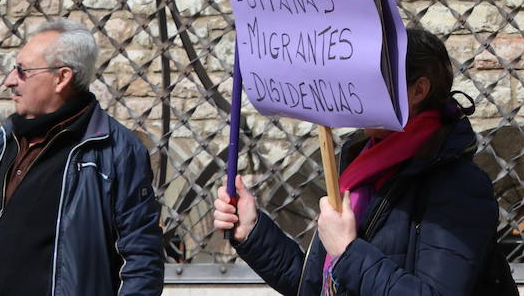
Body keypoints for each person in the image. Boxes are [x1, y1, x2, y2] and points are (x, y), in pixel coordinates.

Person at [214, 27, 501, 296]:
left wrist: (347, 251)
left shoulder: (458, 185)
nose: (357, 94)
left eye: (373, 80)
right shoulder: (361, 169)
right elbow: (319, 285)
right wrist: (251, 231)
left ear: (418, 91)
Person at [0, 17, 164, 295]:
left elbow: (140, 261)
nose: (9, 81)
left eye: (22, 71)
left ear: (62, 78)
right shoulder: (1, 143)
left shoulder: (113, 151)